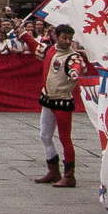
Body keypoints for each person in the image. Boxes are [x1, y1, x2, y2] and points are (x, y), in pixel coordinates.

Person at [32, 24, 87, 189]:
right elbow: (36, 48)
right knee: (45, 136)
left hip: (62, 100)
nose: (67, 41)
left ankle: (69, 176)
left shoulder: (72, 56)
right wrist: (24, 36)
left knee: (65, 138)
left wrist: (74, 72)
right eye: (64, 38)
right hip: (47, 98)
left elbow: (77, 65)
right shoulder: (50, 50)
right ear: (56, 36)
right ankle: (53, 171)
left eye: (70, 38)